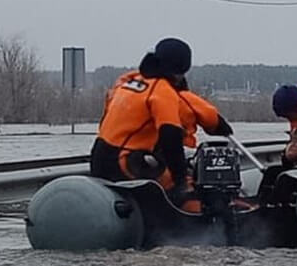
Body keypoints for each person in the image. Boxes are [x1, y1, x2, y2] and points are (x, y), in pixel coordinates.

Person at [90, 38, 230, 206]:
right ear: (181, 69)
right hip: (126, 162)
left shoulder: (128, 81)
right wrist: (180, 183)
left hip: (99, 157)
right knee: (186, 192)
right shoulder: (162, 91)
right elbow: (170, 137)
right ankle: (191, 222)